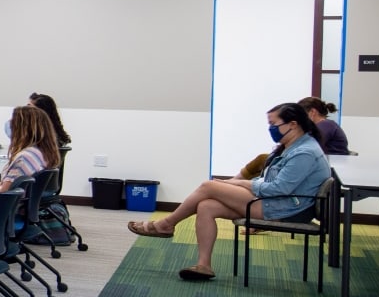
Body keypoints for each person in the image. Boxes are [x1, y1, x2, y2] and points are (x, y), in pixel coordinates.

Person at [128, 103, 331, 281]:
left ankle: (166, 224)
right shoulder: (290, 147)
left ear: (293, 124)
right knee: (206, 206)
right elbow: (272, 183)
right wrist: (239, 184)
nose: (270, 129)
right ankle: (204, 266)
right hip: (277, 202)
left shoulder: (304, 152)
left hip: (286, 209)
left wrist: (241, 184)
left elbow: (279, 188)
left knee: (208, 187)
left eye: (273, 124)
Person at [0, 106, 61, 199]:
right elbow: (13, 183)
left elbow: (2, 195)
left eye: (13, 122)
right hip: (21, 205)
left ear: (22, 129)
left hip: (7, 208)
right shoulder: (40, 153)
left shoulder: (24, 158)